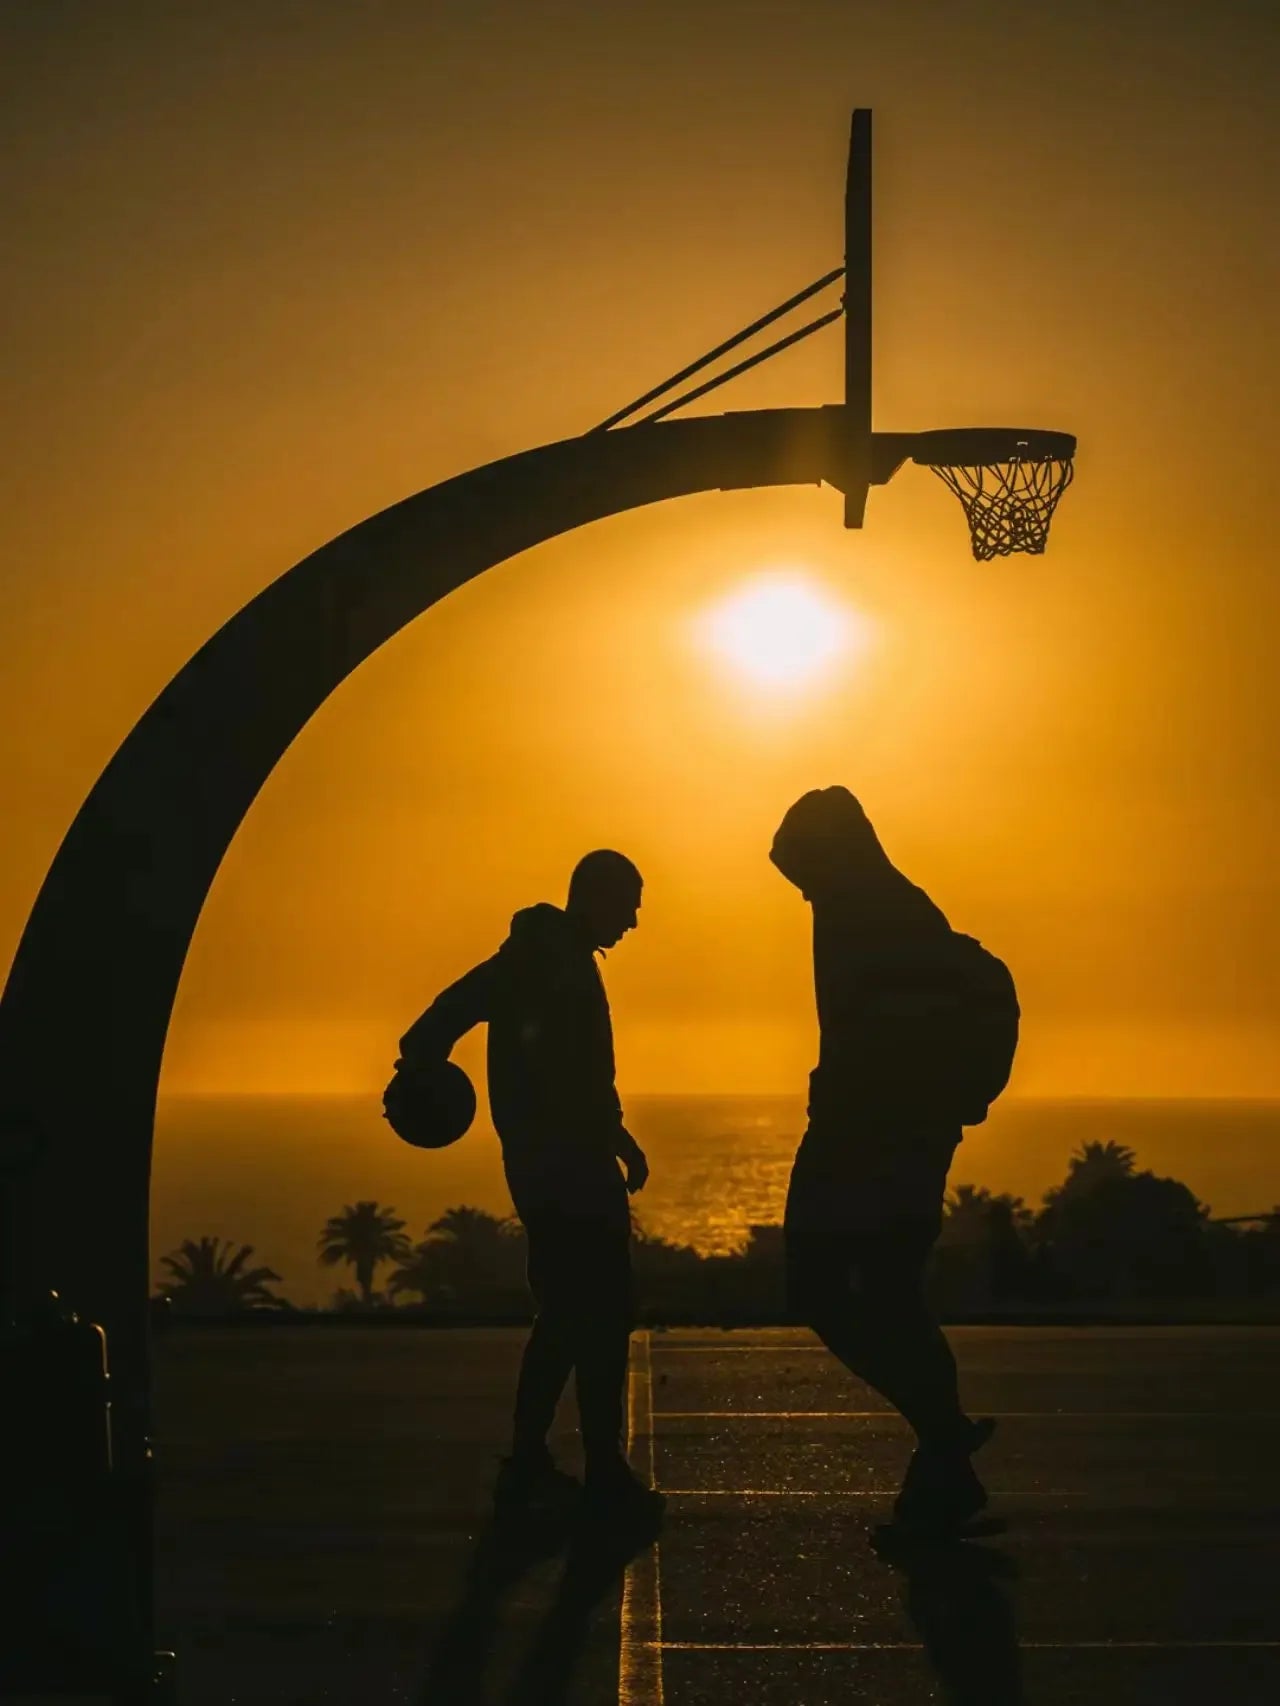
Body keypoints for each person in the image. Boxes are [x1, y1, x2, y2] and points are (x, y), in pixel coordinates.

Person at [398, 849, 660, 1526]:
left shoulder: (557, 956)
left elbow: (581, 1074)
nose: (634, 922)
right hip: (560, 1168)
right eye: (629, 904)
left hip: (564, 1161)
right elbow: (441, 1018)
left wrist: (617, 1136)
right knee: (598, 1316)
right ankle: (594, 1470)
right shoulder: (541, 956)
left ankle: (532, 1459)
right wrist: (421, 1073)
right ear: (598, 898)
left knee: (575, 1315)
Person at [769, 787, 994, 1532]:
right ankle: (945, 1466)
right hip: (883, 1135)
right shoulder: (872, 907)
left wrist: (857, 1117)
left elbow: (894, 1047)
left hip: (874, 1140)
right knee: (890, 1299)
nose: (800, 892)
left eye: (802, 875)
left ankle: (941, 1437)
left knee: (829, 1290)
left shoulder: (881, 917)